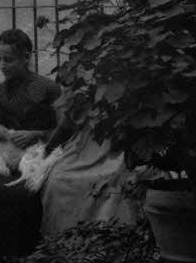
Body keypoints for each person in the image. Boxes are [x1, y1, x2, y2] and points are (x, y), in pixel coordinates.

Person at [0, 29, 60, 263]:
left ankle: (24, 255)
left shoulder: (47, 88)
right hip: (7, 156)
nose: (3, 65)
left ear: (26, 57)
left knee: (22, 191)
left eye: (9, 59)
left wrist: (36, 134)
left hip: (40, 154)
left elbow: (62, 128)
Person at [39, 89, 138, 239]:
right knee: (57, 180)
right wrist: (47, 150)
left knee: (113, 183)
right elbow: (66, 126)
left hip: (119, 150)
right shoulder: (84, 87)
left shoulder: (135, 85)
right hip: (83, 148)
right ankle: (58, 238)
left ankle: (100, 240)